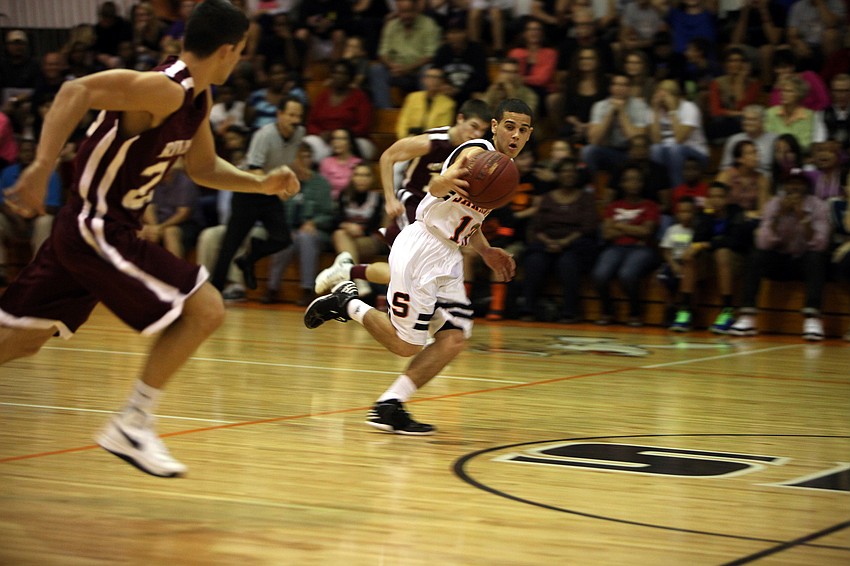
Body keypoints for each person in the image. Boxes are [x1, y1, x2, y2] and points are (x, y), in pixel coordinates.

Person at [0, 0, 300, 477]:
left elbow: (202, 168)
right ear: (227, 50)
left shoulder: (198, 99)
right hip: (96, 226)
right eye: (241, 51)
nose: (240, 59)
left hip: (90, 230)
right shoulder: (165, 89)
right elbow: (76, 89)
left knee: (22, 338)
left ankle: (132, 422)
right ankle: (133, 422)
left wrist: (258, 182)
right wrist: (40, 167)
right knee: (206, 308)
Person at [304, 98, 533, 435]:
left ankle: (390, 404)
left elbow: (467, 218)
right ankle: (347, 302)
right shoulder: (476, 152)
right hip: (424, 249)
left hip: (449, 255)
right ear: (495, 126)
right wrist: (442, 182)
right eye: (509, 126)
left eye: (523, 129)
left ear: (528, 135)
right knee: (407, 344)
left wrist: (485, 251)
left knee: (454, 338)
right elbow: (438, 186)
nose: (515, 134)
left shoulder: (500, 167)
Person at [314, 99, 492, 293]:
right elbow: (387, 157)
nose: (475, 134)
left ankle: (348, 271)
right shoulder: (432, 141)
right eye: (473, 126)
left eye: (481, 131)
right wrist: (390, 199)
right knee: (414, 272)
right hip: (413, 204)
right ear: (460, 118)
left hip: (436, 212)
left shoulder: (473, 151)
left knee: (411, 274)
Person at [210, 96, 305, 293]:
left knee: (283, 239)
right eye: (291, 115)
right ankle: (215, 289)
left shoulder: (299, 133)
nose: (295, 120)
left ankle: (247, 260)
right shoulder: (264, 134)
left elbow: (286, 160)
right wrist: (276, 188)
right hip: (248, 190)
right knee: (231, 243)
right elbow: (254, 169)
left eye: (298, 116)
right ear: (279, 115)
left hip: (269, 191)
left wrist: (296, 176)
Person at [729, 170, 831, 340]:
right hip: (780, 260)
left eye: (799, 183)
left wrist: (803, 219)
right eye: (791, 183)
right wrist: (778, 217)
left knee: (817, 258)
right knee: (756, 255)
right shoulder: (774, 204)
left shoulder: (818, 205)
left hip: (804, 261)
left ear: (806, 186)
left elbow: (821, 244)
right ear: (784, 186)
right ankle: (748, 316)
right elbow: (762, 242)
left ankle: (812, 318)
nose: (795, 187)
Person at [669, 182, 753, 333]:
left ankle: (727, 311)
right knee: (689, 255)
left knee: (722, 253)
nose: (716, 200)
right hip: (711, 261)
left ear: (727, 199)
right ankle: (685, 311)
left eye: (720, 196)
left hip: (736, 259)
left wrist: (707, 244)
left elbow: (735, 241)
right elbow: (696, 240)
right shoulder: (704, 216)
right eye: (712, 196)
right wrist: (707, 217)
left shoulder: (736, 212)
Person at [263, 143, 334, 305]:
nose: (304, 161)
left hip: (316, 233)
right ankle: (272, 288)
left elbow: (330, 214)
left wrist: (314, 222)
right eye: (300, 157)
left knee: (305, 237)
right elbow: (276, 212)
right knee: (284, 239)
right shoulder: (285, 182)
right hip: (290, 230)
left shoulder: (321, 183)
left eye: (307, 156)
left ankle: (307, 289)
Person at [395, 68, 456, 140]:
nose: (432, 80)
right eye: (429, 77)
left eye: (436, 78)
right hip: (408, 139)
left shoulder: (448, 104)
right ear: (423, 80)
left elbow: (442, 130)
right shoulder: (412, 97)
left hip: (432, 142)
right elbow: (403, 123)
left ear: (442, 81)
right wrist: (404, 138)